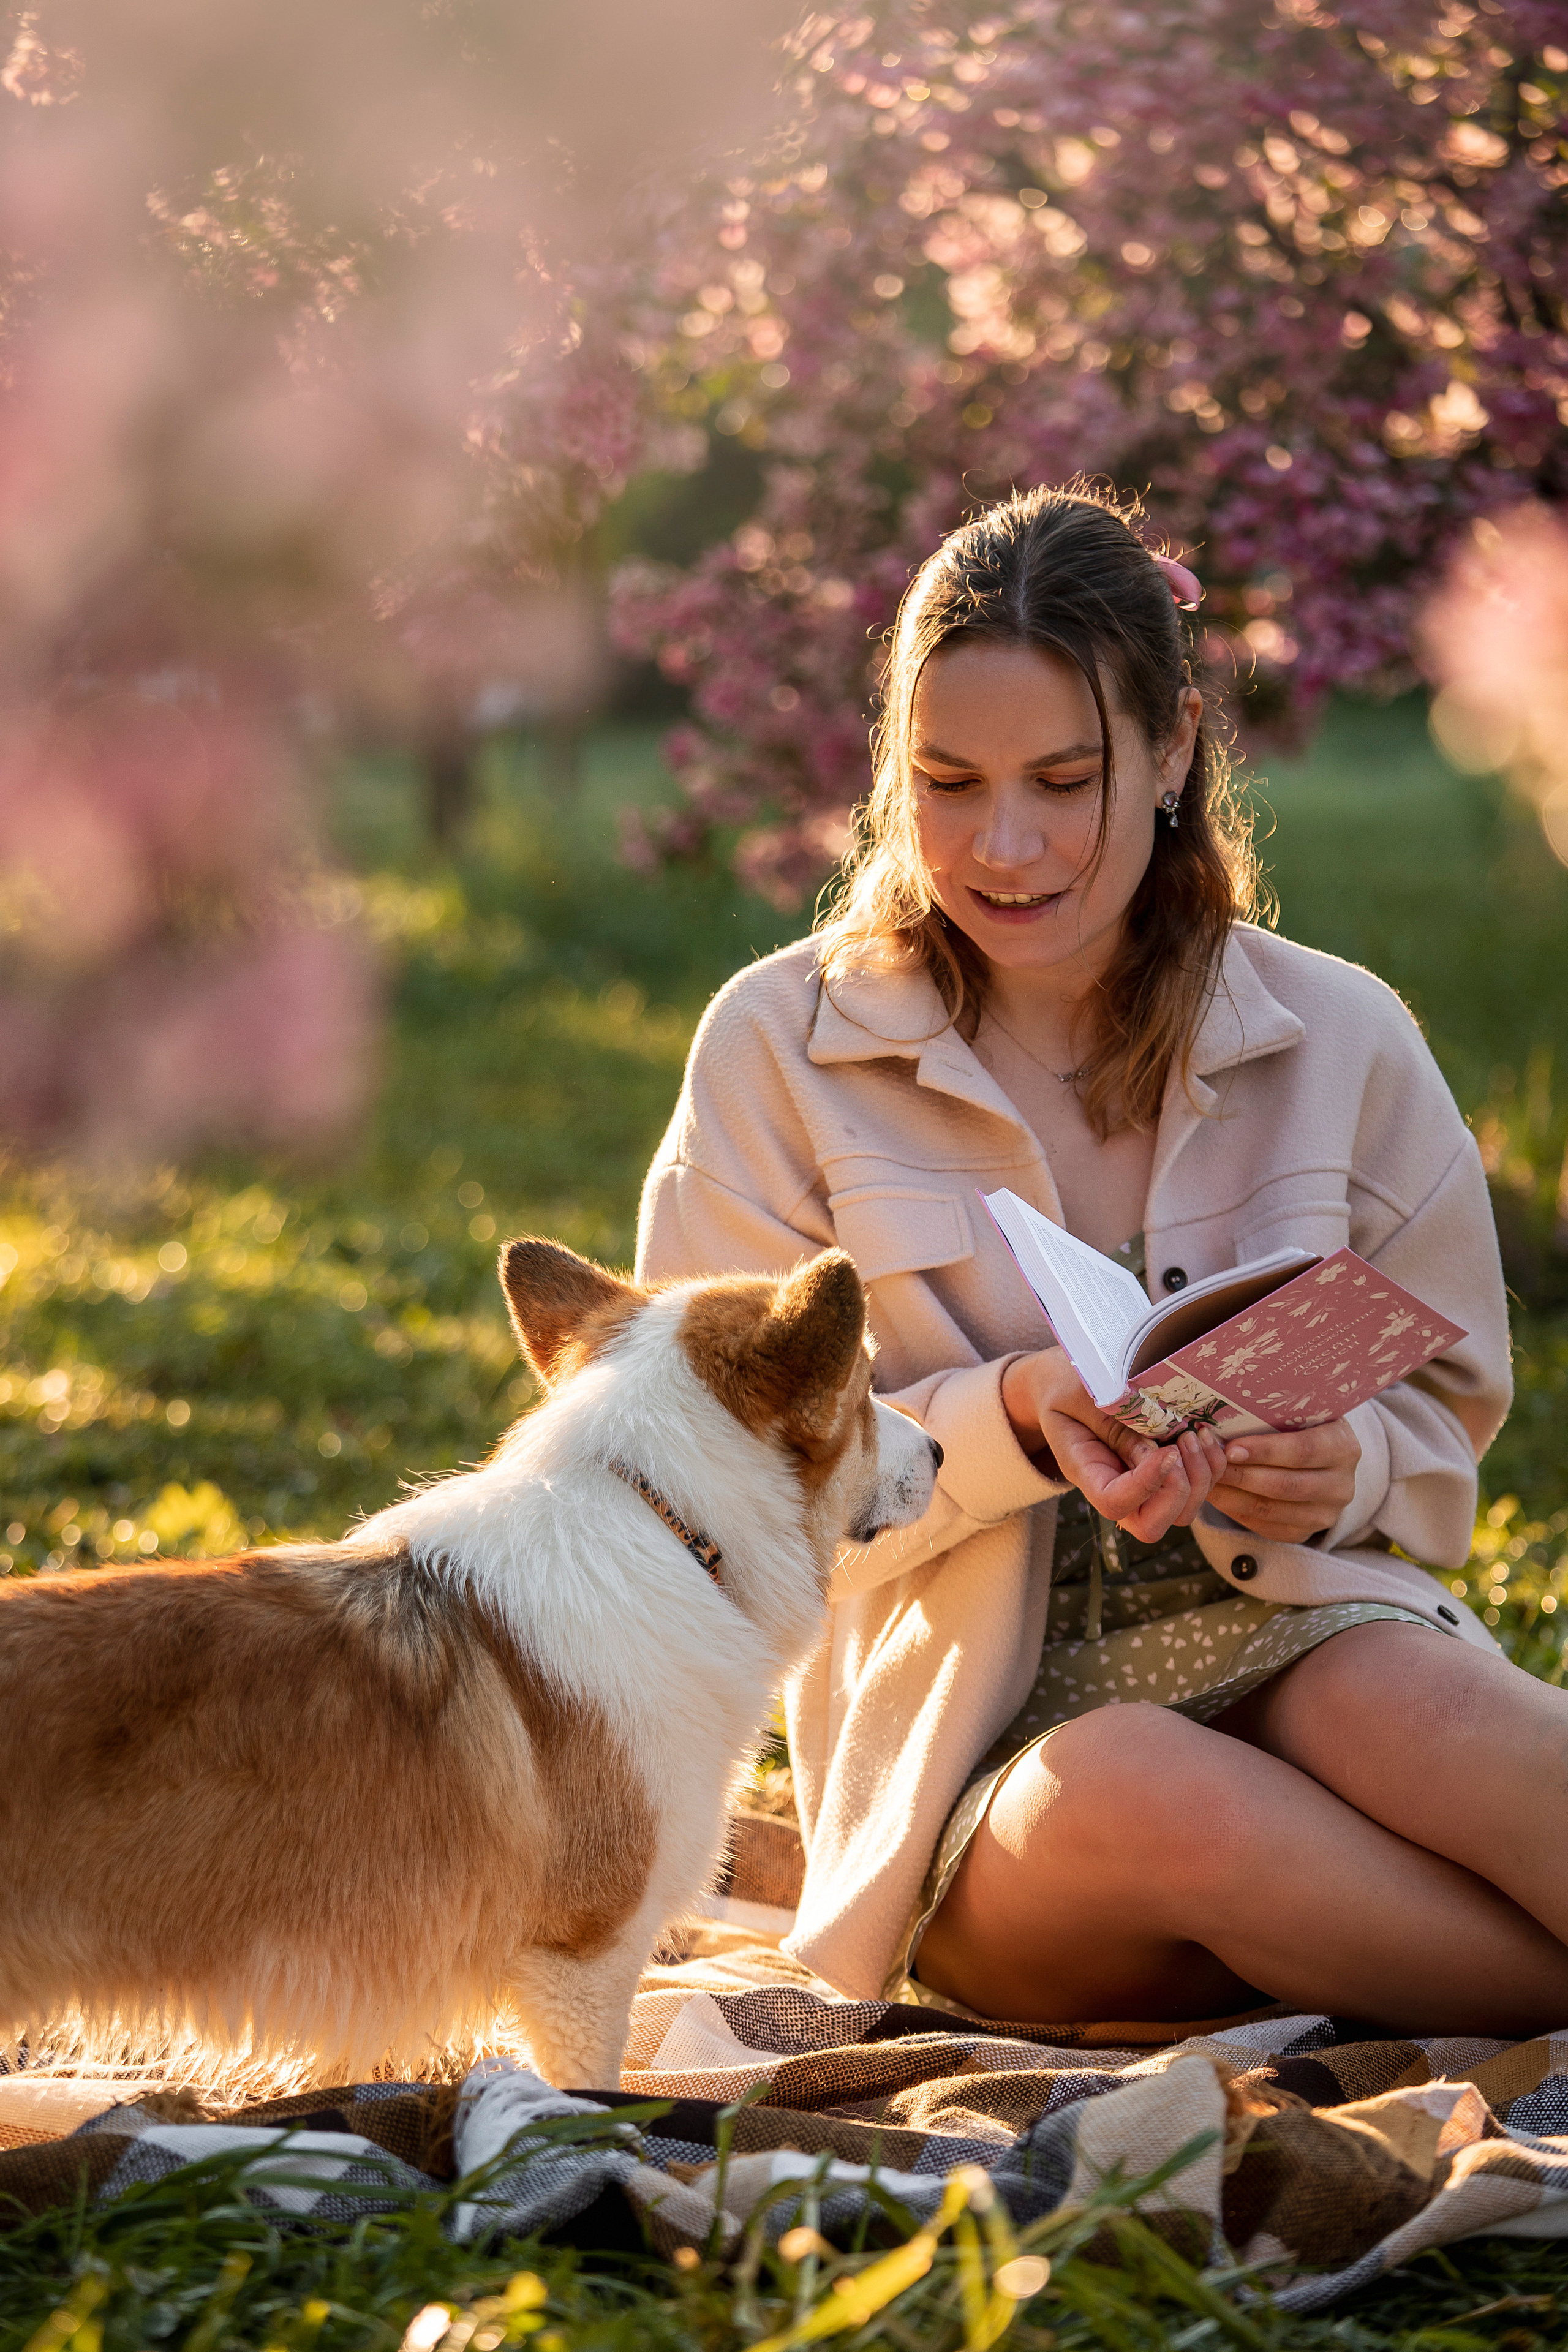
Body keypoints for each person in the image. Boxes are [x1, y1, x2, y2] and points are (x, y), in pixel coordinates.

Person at [637, 483, 1568, 2036]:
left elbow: (1443, 1425)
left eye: (1062, 781)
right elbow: (703, 1501)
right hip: (982, 1768)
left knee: (1438, 1713)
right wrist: (1007, 1418)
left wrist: (1327, 1467)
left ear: (1171, 748)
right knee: (1144, 1790)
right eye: (946, 782)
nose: (1002, 846)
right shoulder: (777, 1050)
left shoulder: (1336, 1036)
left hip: (1301, 1625)